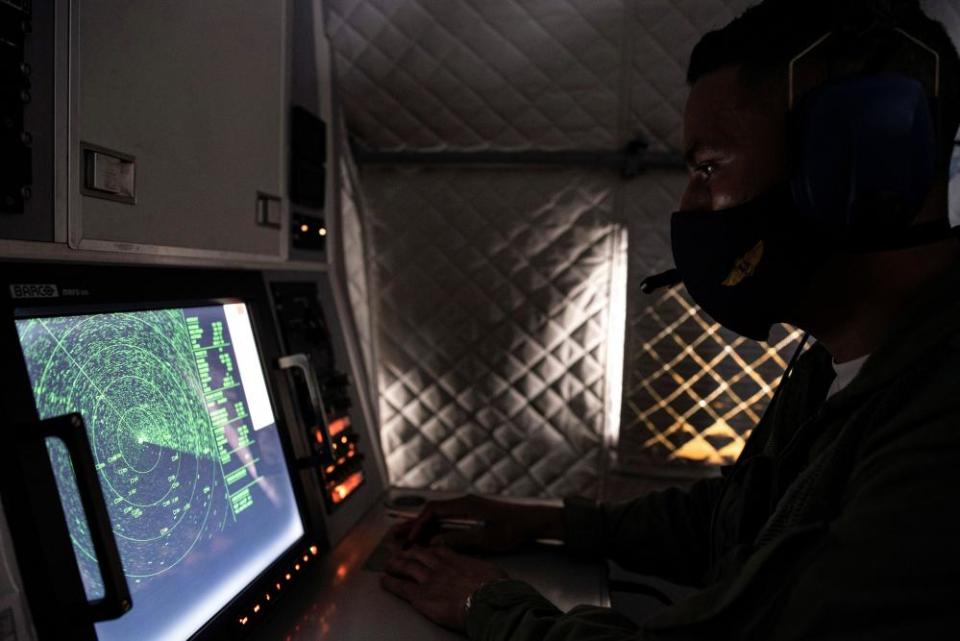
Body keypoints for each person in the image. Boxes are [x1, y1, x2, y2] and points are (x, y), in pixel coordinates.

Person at [379, 0, 960, 638]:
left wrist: (486, 606)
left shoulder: (939, 420)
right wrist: (540, 521)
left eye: (709, 168)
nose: (690, 206)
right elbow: (731, 522)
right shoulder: (836, 364)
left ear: (855, 165)